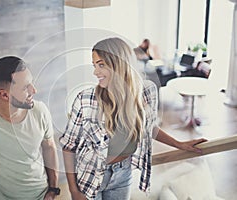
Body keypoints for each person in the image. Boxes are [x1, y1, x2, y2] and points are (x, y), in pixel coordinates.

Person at [59, 37, 207, 200]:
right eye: (94, 65)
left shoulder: (144, 92)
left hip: (123, 173)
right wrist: (73, 190)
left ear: (118, 63)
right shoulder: (85, 99)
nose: (95, 72)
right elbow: (68, 147)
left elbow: (147, 126)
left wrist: (178, 144)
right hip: (91, 174)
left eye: (101, 65)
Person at [0, 56, 60, 200]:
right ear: (4, 94)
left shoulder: (40, 111)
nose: (34, 90)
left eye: (32, 83)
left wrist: (53, 189)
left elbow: (49, 147)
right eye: (25, 87)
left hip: (40, 195)